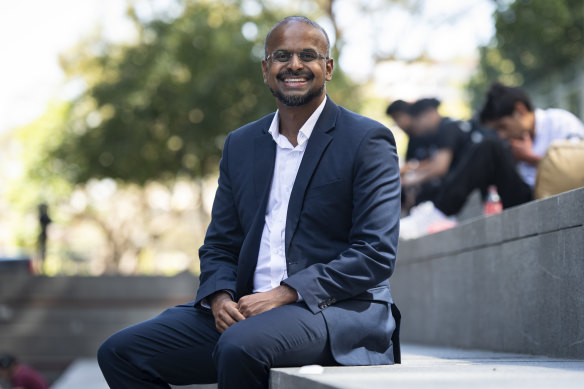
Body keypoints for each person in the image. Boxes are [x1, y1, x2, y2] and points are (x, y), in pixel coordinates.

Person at [98, 16, 401, 389]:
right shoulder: (241, 145)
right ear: (265, 69)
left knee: (240, 346)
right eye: (281, 55)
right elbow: (220, 242)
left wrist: (284, 293)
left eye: (308, 55)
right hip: (245, 311)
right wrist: (220, 296)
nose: (294, 65)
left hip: (332, 311)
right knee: (120, 351)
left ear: (328, 67)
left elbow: (375, 253)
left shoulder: (367, 139)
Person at [400, 82, 584, 239]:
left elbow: (575, 164)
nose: (503, 135)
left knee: (490, 146)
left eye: (503, 127)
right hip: (523, 197)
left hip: (554, 197)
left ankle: (437, 213)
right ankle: (439, 213)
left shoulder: (560, 121)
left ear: (520, 111)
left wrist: (531, 159)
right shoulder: (509, 141)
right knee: (487, 150)